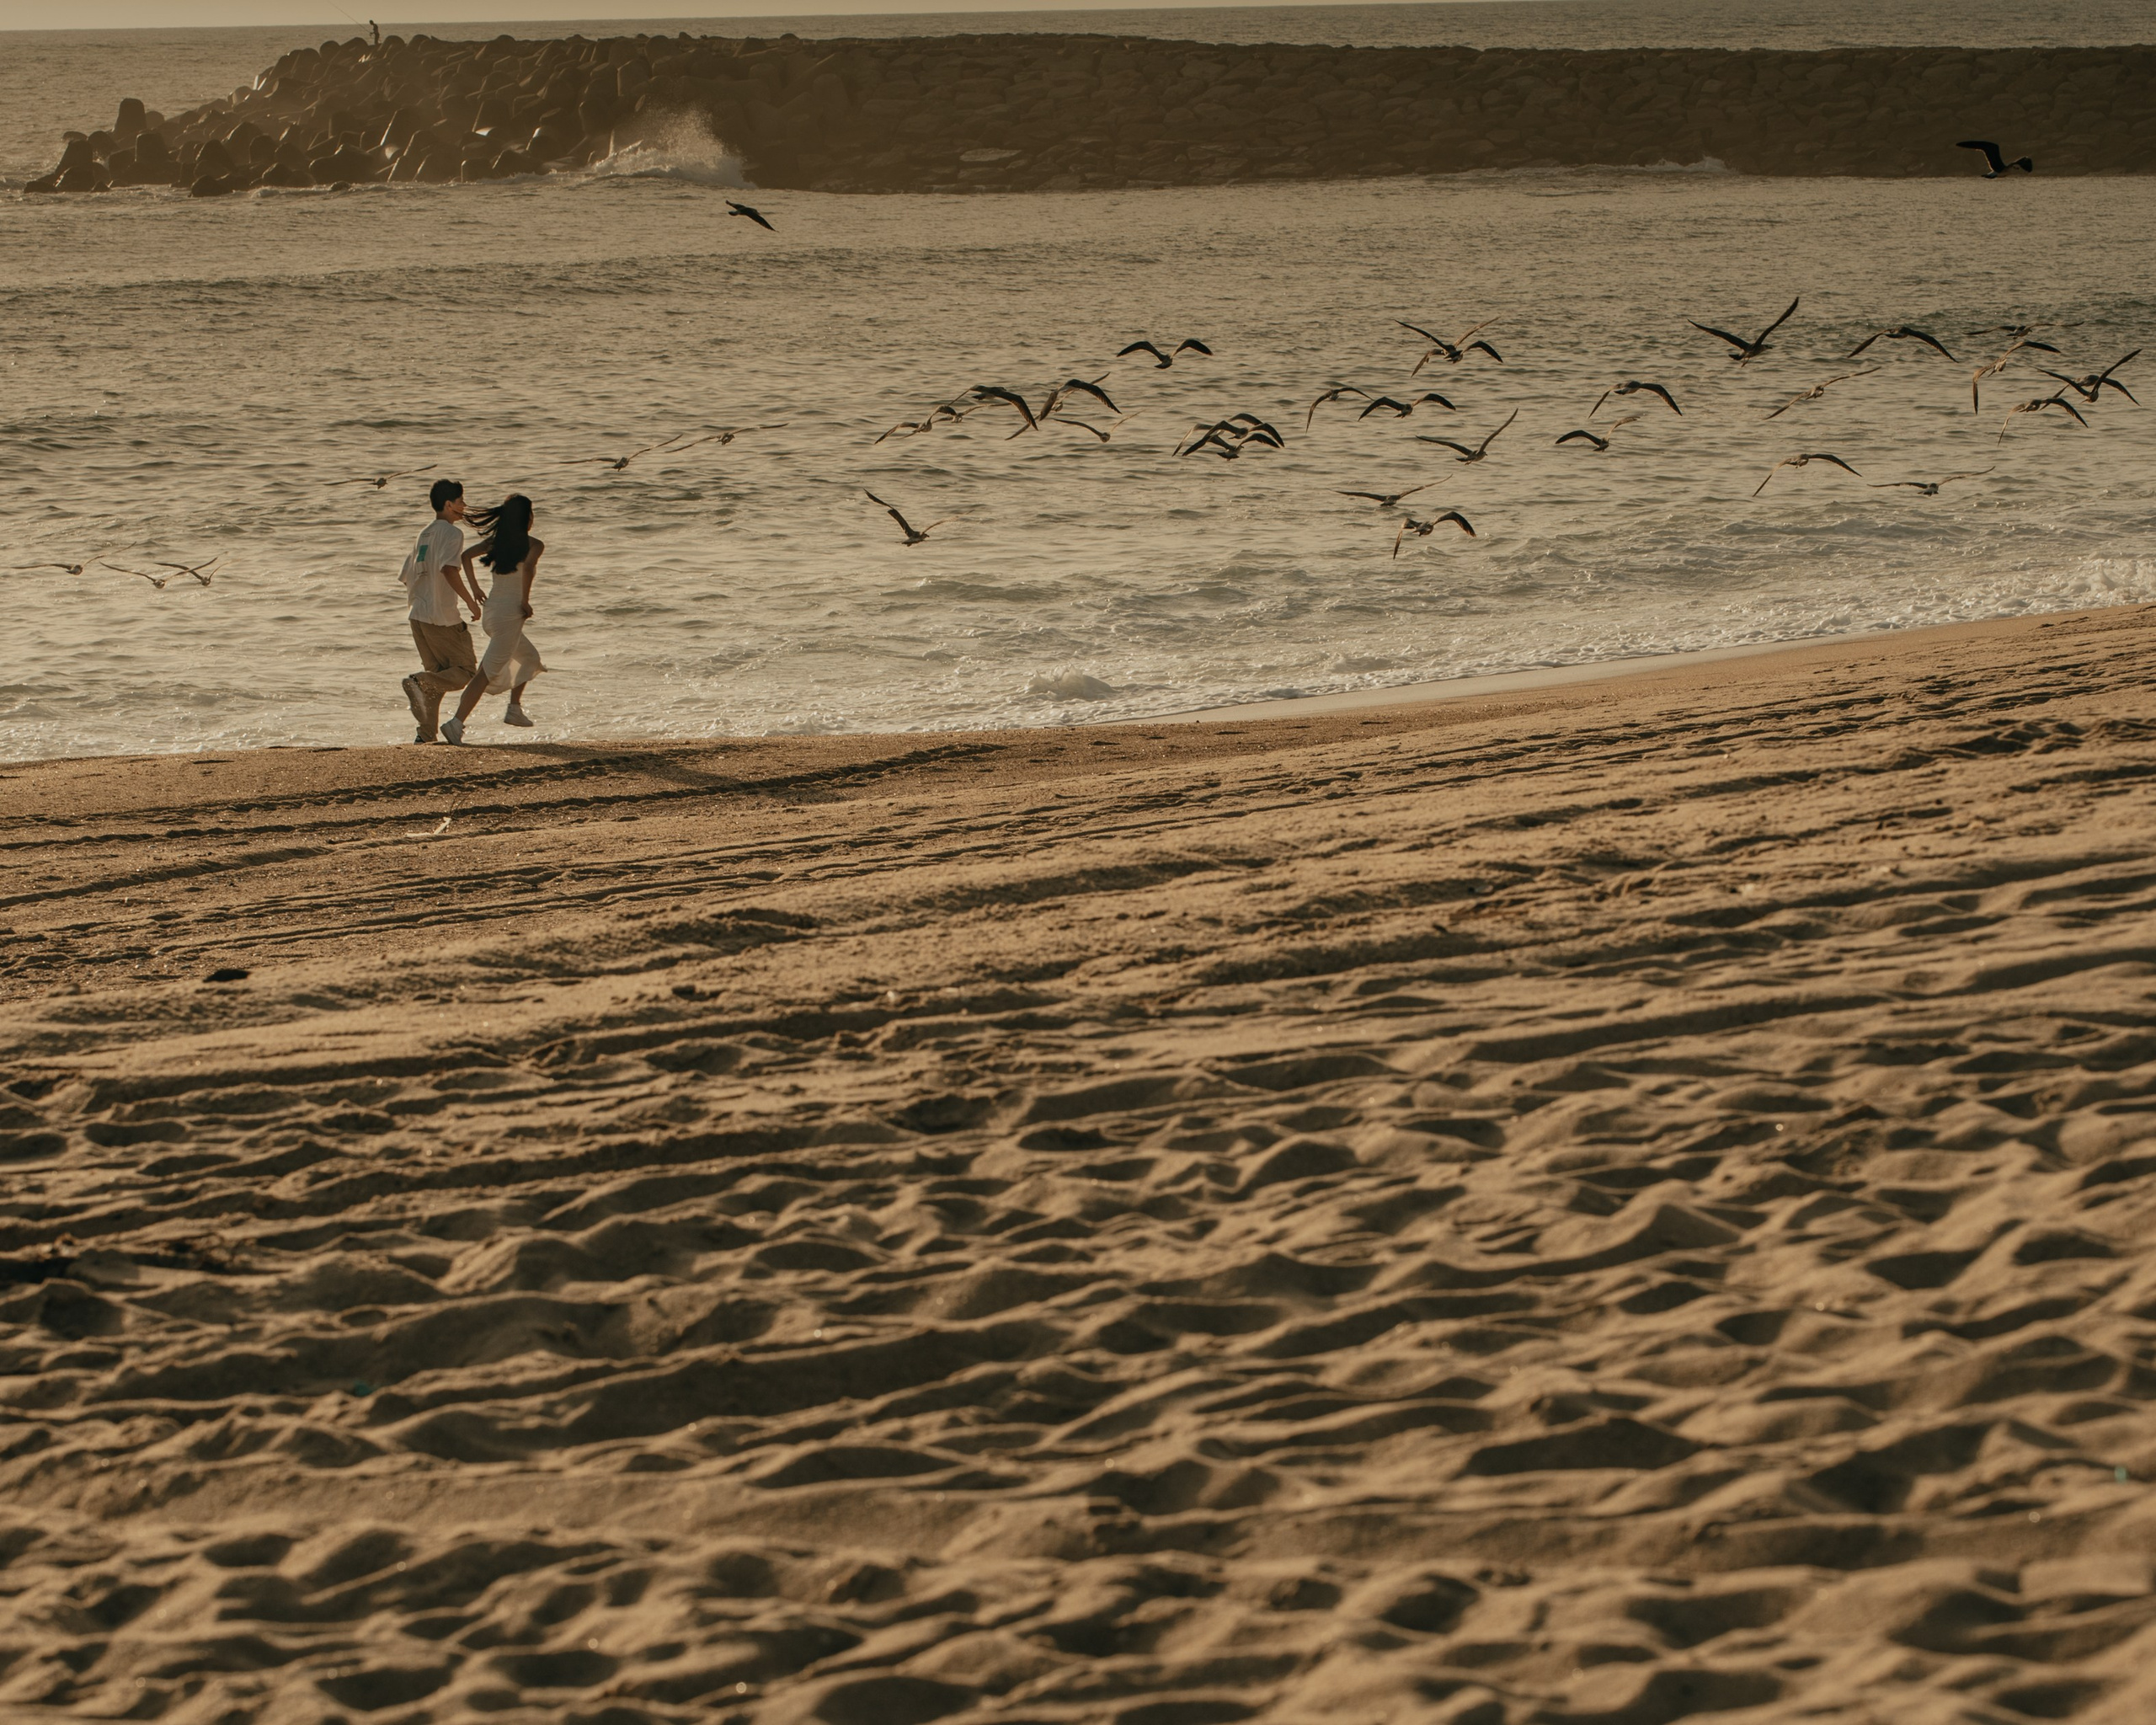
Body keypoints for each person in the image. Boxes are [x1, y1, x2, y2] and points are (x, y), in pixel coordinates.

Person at [440, 494, 546, 745]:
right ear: (527, 517)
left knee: (529, 658)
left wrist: (476, 588)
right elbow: (528, 569)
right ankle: (455, 724)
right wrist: (524, 600)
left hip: (493, 615)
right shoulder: (534, 544)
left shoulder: (496, 542)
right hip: (509, 615)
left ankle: (514, 709)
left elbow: (465, 556)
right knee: (483, 675)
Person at [398, 478, 484, 744]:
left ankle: (425, 737)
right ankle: (417, 681)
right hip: (442, 618)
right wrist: (470, 601)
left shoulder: (423, 534)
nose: (464, 505)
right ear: (448, 505)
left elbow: (405, 576)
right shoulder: (452, 533)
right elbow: (448, 569)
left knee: (435, 683)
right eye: (461, 501)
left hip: (418, 616)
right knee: (466, 672)